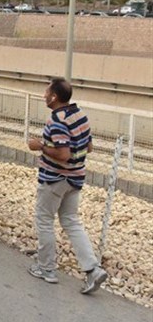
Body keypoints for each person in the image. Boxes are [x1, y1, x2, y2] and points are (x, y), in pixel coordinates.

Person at [27, 78, 108, 294]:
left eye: (47, 92)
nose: (44, 95)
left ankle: (46, 269)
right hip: (76, 178)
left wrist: (40, 146)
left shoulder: (57, 121)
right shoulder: (80, 115)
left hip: (55, 179)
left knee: (44, 220)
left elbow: (63, 154)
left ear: (54, 97)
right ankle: (92, 269)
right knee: (71, 221)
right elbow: (88, 147)